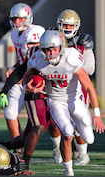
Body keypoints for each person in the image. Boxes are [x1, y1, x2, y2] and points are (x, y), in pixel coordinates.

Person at [19, 30, 104, 176]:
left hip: (75, 99)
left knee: (89, 138)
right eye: (47, 49)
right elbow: (25, 78)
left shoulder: (71, 58)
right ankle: (68, 170)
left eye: (54, 48)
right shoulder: (37, 60)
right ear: (42, 50)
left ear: (61, 47)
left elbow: (89, 87)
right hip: (56, 101)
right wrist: (27, 87)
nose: (51, 53)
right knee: (68, 132)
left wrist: (96, 114)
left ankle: (78, 126)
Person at [47, 9, 96, 166]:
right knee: (54, 121)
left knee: (80, 121)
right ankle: (57, 148)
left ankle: (82, 153)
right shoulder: (51, 36)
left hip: (76, 86)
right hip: (55, 84)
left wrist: (70, 66)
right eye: (65, 25)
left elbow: (90, 68)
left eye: (71, 25)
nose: (67, 28)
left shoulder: (83, 42)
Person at [2, 2, 45, 157]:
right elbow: (22, 59)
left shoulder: (35, 32)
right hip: (20, 78)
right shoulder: (14, 35)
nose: (17, 22)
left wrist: (18, 72)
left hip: (36, 79)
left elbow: (34, 58)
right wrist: (14, 68)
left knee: (49, 118)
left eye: (20, 19)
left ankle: (69, 141)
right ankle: (18, 146)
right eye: (15, 19)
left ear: (28, 18)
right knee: (9, 112)